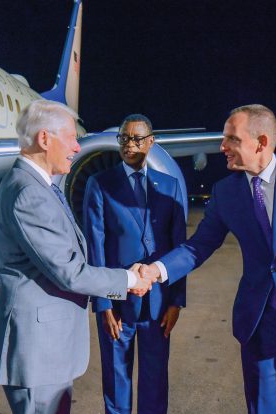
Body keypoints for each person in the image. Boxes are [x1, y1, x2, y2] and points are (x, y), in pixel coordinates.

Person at [140, 104, 276, 413]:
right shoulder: (226, 192)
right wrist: (156, 270)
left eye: (232, 139)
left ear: (261, 143)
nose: (222, 147)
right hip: (259, 323)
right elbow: (199, 245)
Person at [0, 99, 151, 414]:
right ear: (45, 139)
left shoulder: (38, 185)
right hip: (39, 351)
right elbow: (70, 272)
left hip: (47, 347)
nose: (78, 147)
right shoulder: (29, 194)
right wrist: (130, 278)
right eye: (71, 137)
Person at [83, 114, 187, 414]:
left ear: (151, 142)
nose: (129, 144)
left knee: (155, 382)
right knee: (117, 382)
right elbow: (96, 247)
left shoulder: (169, 186)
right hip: (116, 303)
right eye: (124, 138)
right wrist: (103, 305)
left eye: (137, 139)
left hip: (158, 303)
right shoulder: (100, 184)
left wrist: (176, 301)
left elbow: (179, 248)